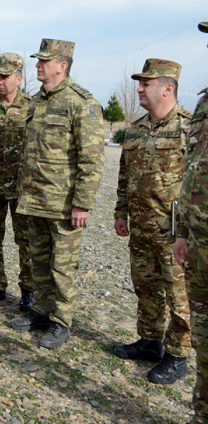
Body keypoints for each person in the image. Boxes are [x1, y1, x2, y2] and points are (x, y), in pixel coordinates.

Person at [10, 38, 104, 350]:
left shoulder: (82, 103)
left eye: (44, 61)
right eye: (38, 60)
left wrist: (82, 203)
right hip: (35, 199)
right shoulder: (36, 101)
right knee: (38, 261)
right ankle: (40, 311)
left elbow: (92, 159)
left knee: (63, 267)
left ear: (62, 66)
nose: (38, 65)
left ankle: (61, 322)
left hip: (63, 204)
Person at [113, 59, 192, 384]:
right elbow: (124, 175)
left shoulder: (189, 128)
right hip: (142, 228)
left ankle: (178, 355)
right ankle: (149, 340)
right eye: (139, 83)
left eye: (146, 84)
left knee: (178, 294)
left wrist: (186, 232)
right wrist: (120, 212)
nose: (140, 89)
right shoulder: (136, 128)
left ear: (167, 88)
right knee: (145, 286)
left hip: (174, 232)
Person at [174, 21, 208, 423]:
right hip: (198, 244)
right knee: (204, 342)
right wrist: (182, 231)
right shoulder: (204, 104)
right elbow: (192, 172)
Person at [0, 53, 34, 311]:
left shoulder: (32, 108)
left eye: (5, 76)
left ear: (20, 78)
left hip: (21, 189)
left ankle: (28, 290)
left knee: (24, 241)